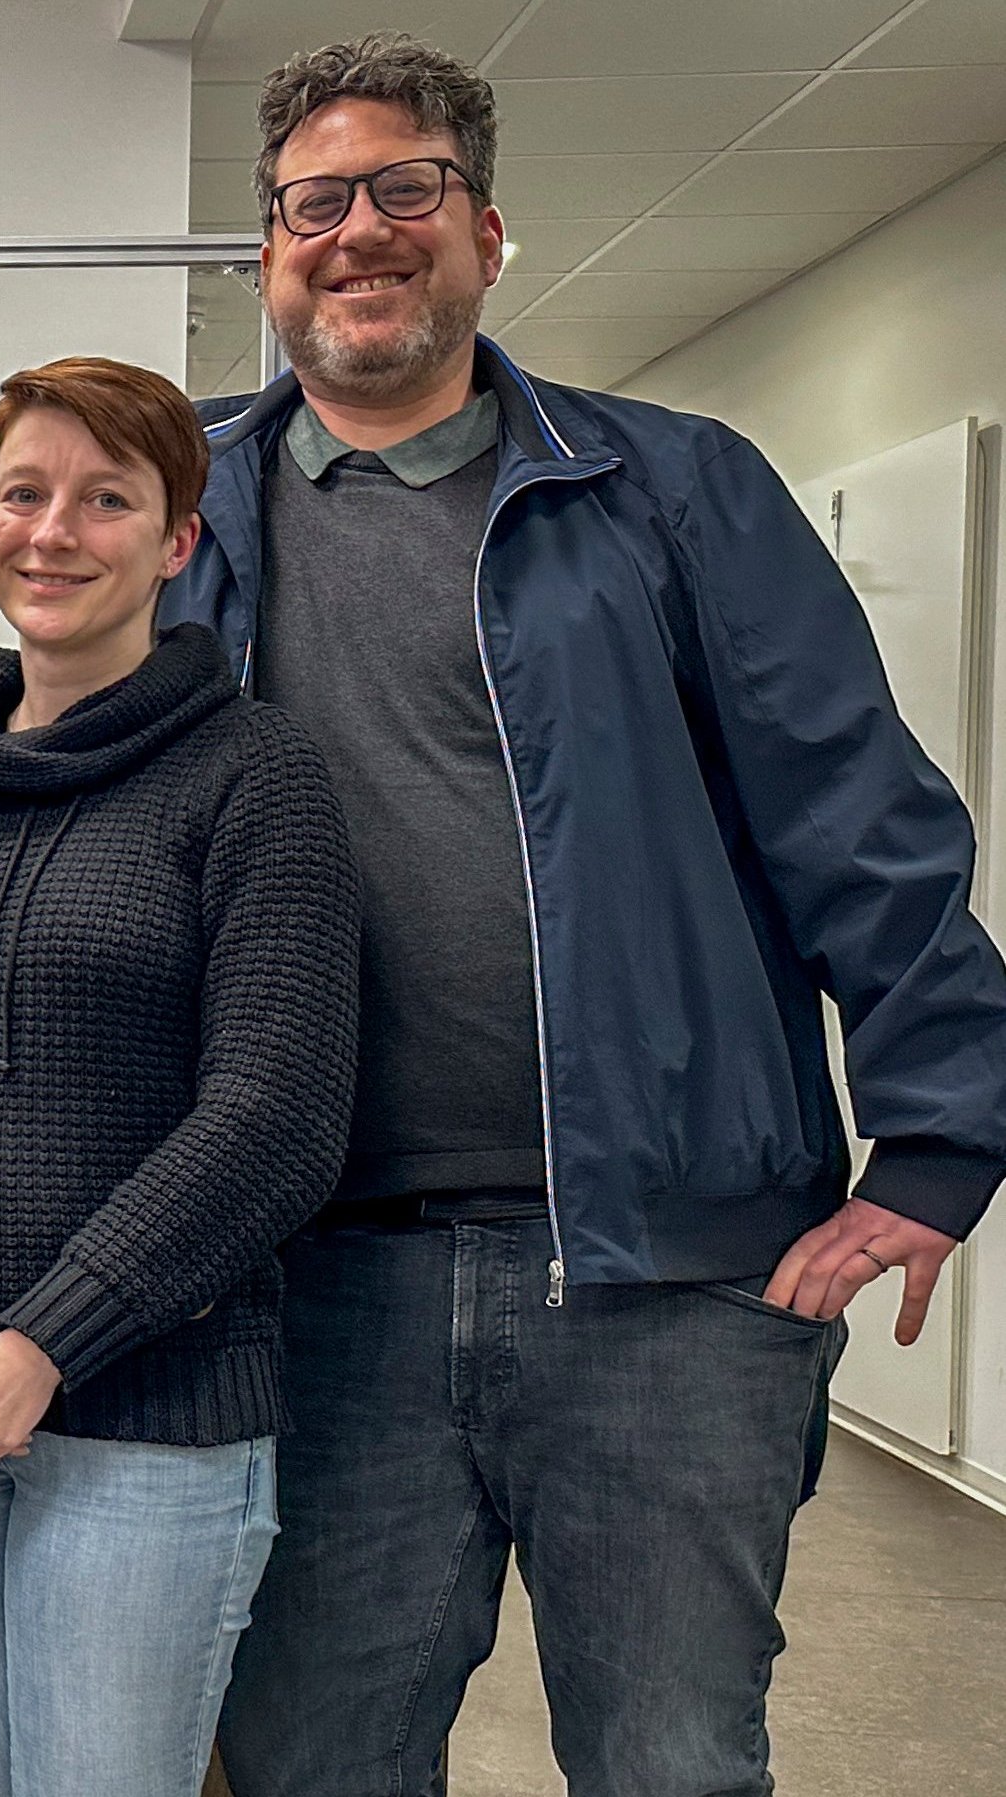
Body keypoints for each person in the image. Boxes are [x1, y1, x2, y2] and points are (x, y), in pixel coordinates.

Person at [179, 37, 1006, 1797]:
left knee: (668, 1763)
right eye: (313, 203)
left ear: (484, 233)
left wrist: (939, 1138)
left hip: (663, 1274)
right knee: (307, 1763)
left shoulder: (666, 486)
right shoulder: (182, 511)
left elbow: (855, 815)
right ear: (265, 255)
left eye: (404, 188)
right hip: (309, 1279)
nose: (356, 230)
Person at [0, 356, 359, 1797]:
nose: (52, 531)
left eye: (105, 500)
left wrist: (44, 1344)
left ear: (178, 541)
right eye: (22, 493)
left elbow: (276, 1117)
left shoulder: (255, 778)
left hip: (149, 1427)